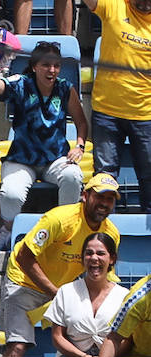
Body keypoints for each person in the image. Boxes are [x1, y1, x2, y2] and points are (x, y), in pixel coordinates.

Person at [0, 174, 121, 357]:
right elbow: (24, 257)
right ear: (85, 196)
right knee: (17, 345)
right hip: (25, 280)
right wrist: (57, 294)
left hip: (63, 288)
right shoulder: (59, 219)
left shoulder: (111, 233)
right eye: (99, 197)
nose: (104, 203)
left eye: (110, 199)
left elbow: (108, 274)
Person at [0, 40, 86, 250]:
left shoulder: (66, 88)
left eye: (56, 65)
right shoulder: (20, 83)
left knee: (73, 177)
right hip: (22, 159)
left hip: (56, 158)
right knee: (10, 193)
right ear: (35, 66)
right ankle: (8, 229)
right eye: (46, 65)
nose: (52, 70)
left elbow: (81, 122)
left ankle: (66, 230)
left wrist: (80, 146)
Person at [46, 234, 128, 357]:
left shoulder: (124, 296)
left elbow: (127, 340)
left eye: (101, 253)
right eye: (89, 253)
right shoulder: (66, 292)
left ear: (112, 259)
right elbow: (57, 336)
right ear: (82, 258)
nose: (94, 258)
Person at [85, 0, 151, 212]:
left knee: (149, 176)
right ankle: (103, 236)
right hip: (106, 113)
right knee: (104, 178)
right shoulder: (113, 5)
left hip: (145, 115)